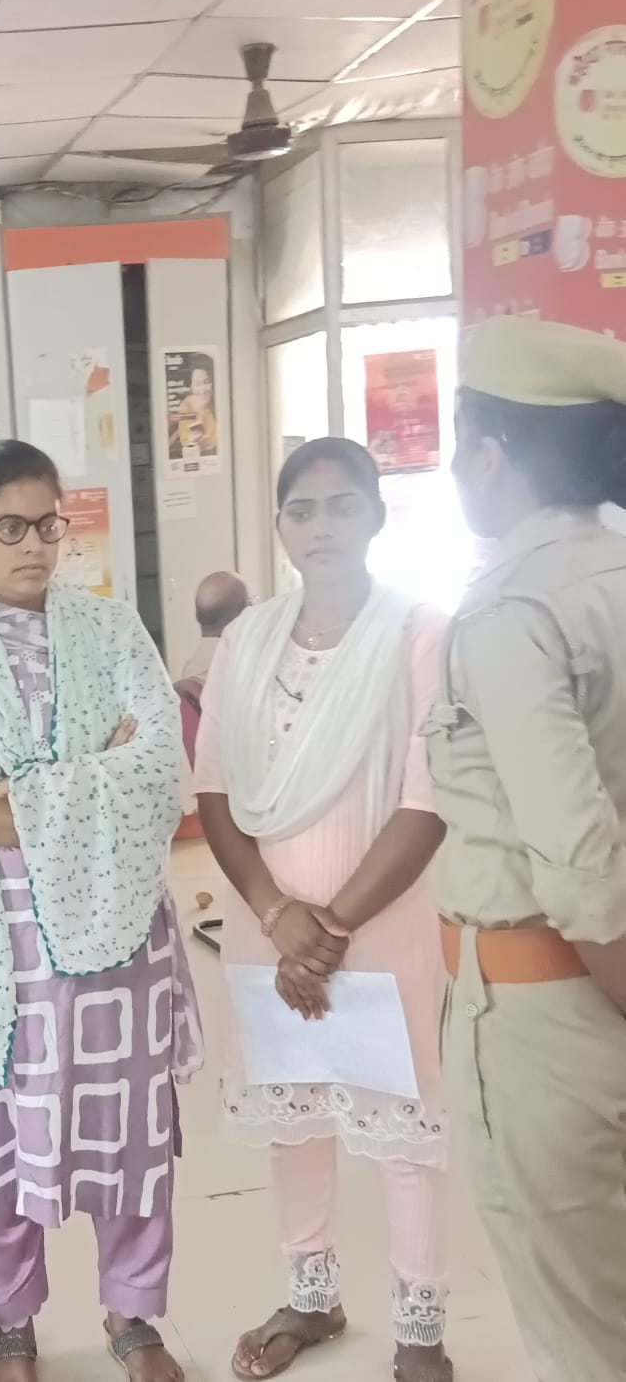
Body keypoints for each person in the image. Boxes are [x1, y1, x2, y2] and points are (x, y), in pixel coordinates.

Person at [0, 440, 203, 1382]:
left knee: (129, 1133)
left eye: (47, 525)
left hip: (118, 937)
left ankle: (134, 1313)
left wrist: (10, 788)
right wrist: (94, 776)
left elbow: (160, 778)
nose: (32, 546)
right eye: (9, 527)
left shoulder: (113, 629)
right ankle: (11, 1320)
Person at [193, 438, 452, 1382]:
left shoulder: (420, 634)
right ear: (280, 527)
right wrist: (276, 916)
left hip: (377, 925)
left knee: (403, 1128)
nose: (322, 526)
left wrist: (330, 925)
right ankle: (311, 1297)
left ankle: (420, 1330)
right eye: (301, 510)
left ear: (376, 515)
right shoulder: (247, 640)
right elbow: (214, 789)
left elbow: (427, 801)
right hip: (267, 928)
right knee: (294, 1117)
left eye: (342, 505)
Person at [429, 316, 626, 1382]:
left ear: (490, 454)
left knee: (582, 1334)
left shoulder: (513, 610)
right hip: (588, 995)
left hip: (551, 1014)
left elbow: (580, 867)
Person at [179, 571, 249, 687]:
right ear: (242, 614)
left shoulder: (190, 670)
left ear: (197, 615)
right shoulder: (245, 670)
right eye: (249, 604)